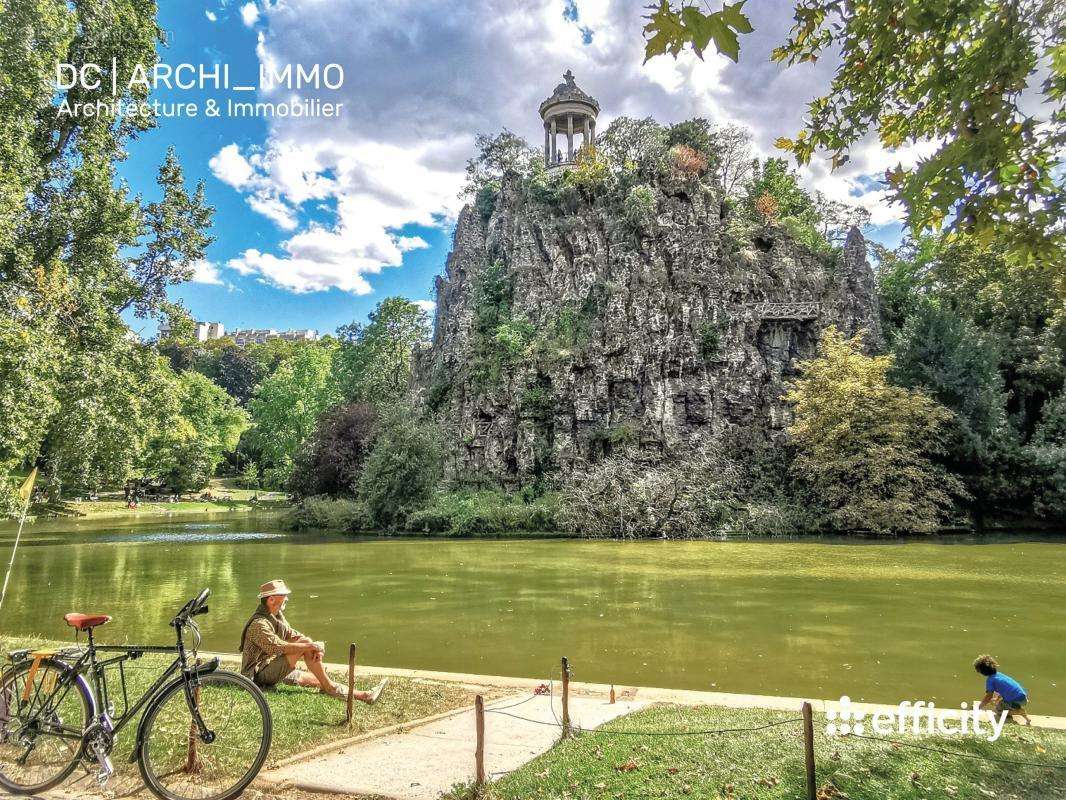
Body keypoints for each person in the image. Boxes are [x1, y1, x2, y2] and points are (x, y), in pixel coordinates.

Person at [240, 579, 387, 702]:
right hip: (257, 676)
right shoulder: (259, 624)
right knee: (308, 651)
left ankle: (364, 695)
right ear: (271, 599)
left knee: (319, 679)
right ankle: (330, 689)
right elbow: (278, 647)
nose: (287, 598)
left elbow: (293, 635)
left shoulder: (276, 616)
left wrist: (313, 646)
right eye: (284, 595)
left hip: (271, 666)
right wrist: (309, 646)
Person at [974, 654, 1031, 725]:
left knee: (998, 710)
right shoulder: (999, 675)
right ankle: (1027, 718)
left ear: (982, 672)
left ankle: (1017, 711)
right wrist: (997, 699)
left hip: (1016, 700)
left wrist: (979, 706)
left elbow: (988, 697)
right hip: (1022, 697)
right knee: (999, 703)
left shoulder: (991, 680)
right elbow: (1006, 689)